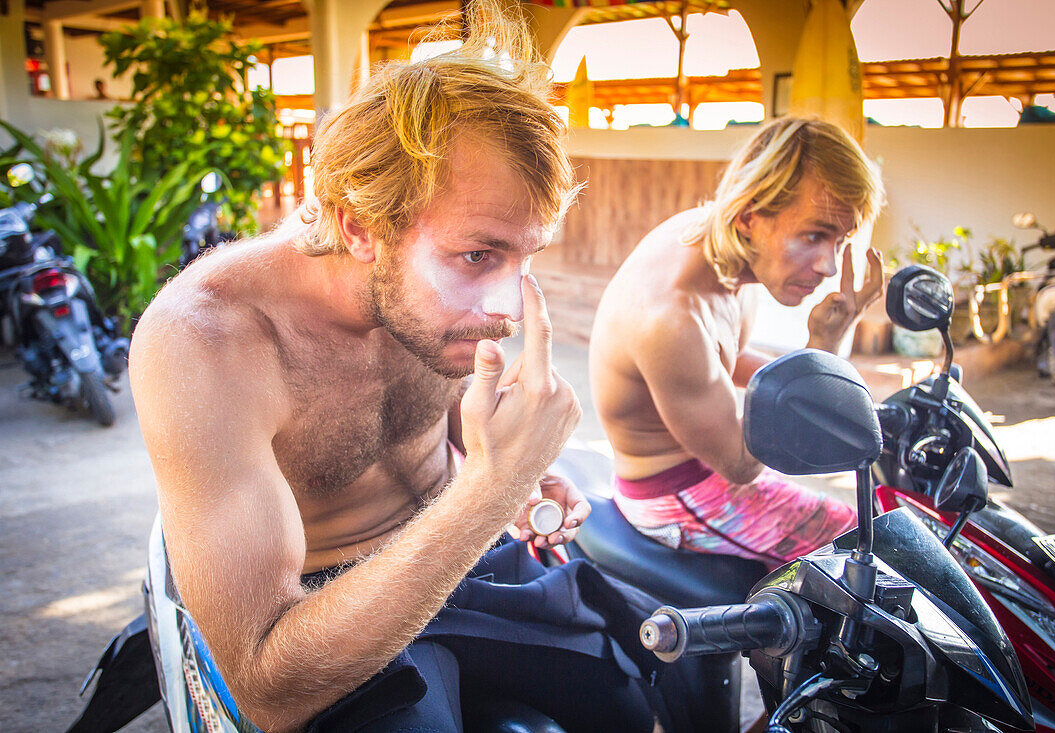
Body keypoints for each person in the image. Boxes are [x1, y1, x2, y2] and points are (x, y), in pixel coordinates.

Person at [129, 4, 697, 731]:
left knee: (637, 700)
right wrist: (493, 488)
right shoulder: (208, 342)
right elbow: (267, 685)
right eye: (478, 256)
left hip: (471, 551)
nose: (509, 307)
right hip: (330, 613)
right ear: (359, 225)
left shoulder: (435, 304)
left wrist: (503, 463)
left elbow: (441, 421)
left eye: (526, 256)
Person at [589, 117, 886, 570]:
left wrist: (821, 357)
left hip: (705, 467)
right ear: (749, 217)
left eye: (840, 240)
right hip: (679, 494)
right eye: (813, 235)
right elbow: (743, 464)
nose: (829, 265)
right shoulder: (672, 318)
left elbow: (722, 360)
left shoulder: (717, 244)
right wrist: (823, 347)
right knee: (868, 547)